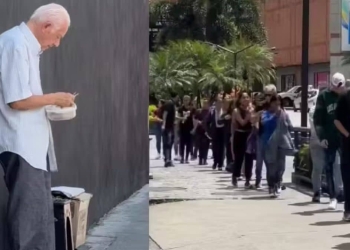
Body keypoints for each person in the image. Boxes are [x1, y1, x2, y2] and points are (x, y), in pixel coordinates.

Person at [0, 4, 73, 250]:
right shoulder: (15, 44)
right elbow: (17, 100)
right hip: (21, 145)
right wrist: (54, 98)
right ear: (46, 26)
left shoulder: (28, 47)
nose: (57, 43)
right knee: (28, 217)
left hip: (32, 144)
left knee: (40, 214)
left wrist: (50, 104)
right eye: (58, 36)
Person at [313, 72, 346, 210]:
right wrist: (321, 137)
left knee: (345, 166)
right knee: (329, 166)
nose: (338, 89)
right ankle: (332, 196)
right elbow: (318, 119)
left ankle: (343, 193)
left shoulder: (346, 96)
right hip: (330, 137)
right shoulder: (324, 97)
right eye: (336, 86)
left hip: (345, 137)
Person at [260, 94, 294, 197]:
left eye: (279, 103)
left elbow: (290, 127)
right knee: (271, 167)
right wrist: (275, 117)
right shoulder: (265, 114)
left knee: (282, 166)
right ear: (271, 103)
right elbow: (264, 123)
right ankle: (271, 185)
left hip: (283, 143)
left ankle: (278, 184)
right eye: (275, 103)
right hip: (269, 144)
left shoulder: (284, 114)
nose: (277, 105)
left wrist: (284, 120)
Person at [309, 105, 343, 203]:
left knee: (336, 165)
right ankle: (317, 192)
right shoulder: (314, 109)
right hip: (318, 141)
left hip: (332, 141)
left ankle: (338, 192)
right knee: (318, 167)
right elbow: (315, 125)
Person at [255, 84, 277, 188]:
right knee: (259, 160)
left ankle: (272, 183)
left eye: (270, 94)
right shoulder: (261, 106)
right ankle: (258, 180)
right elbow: (254, 118)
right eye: (266, 94)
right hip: (261, 135)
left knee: (271, 162)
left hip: (274, 137)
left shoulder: (277, 105)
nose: (268, 96)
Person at [232, 92, 254, 188]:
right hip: (239, 135)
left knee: (249, 158)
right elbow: (242, 122)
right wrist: (249, 116)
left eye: (247, 97)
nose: (245, 99)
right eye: (243, 97)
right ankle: (235, 175)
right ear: (240, 99)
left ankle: (248, 178)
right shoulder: (236, 110)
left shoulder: (251, 109)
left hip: (249, 135)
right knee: (239, 158)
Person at [334, 86, 350, 221]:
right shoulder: (344, 97)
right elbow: (336, 120)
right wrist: (347, 135)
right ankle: (348, 210)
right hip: (347, 145)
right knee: (348, 179)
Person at [206, 93, 225, 170]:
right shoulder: (212, 111)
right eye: (218, 102)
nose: (219, 104)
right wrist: (209, 131)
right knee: (215, 147)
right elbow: (207, 122)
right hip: (215, 131)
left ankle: (220, 163)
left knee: (221, 148)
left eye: (221, 103)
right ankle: (215, 162)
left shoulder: (224, 111)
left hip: (222, 131)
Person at [162, 92, 178, 167]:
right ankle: (167, 160)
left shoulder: (171, 104)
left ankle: (168, 159)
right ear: (176, 97)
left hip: (170, 127)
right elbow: (165, 114)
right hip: (168, 127)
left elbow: (172, 117)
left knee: (168, 144)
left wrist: (182, 118)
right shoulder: (170, 104)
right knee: (168, 144)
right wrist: (164, 125)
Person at [178, 95, 195, 164]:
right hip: (182, 128)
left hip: (189, 128)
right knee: (182, 144)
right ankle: (182, 157)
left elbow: (194, 119)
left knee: (189, 144)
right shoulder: (180, 108)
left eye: (187, 100)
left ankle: (187, 158)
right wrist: (182, 118)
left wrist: (194, 128)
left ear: (189, 100)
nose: (186, 101)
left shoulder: (192, 109)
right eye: (184, 100)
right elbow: (178, 117)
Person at [194, 99, 210, 165]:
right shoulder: (199, 111)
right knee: (200, 146)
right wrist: (198, 122)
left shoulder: (210, 112)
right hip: (200, 131)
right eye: (204, 103)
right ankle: (200, 160)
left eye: (206, 103)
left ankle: (205, 159)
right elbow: (195, 118)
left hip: (207, 131)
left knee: (206, 146)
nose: (205, 105)